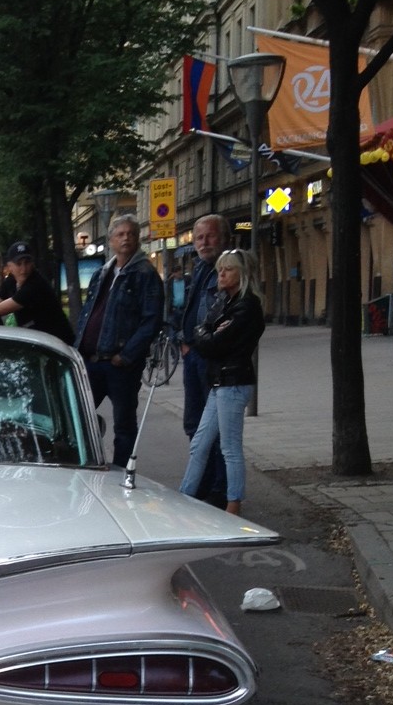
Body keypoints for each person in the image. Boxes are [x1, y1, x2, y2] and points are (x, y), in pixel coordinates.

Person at [179, 248, 265, 516]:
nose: (221, 274)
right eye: (219, 269)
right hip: (221, 380)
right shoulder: (225, 302)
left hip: (234, 381)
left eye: (228, 269)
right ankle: (184, 497)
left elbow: (213, 342)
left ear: (243, 274)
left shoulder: (246, 306)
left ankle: (233, 504)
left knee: (229, 447)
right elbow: (202, 330)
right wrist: (207, 333)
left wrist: (207, 334)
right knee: (200, 443)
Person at [73, 214, 163, 467]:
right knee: (78, 415)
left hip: (119, 364)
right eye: (120, 234)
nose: (126, 238)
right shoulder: (103, 272)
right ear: (111, 240)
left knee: (124, 424)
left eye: (131, 234)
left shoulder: (144, 273)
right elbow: (89, 312)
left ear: (137, 239)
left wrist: (126, 355)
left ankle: (122, 473)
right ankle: (85, 463)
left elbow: (152, 321)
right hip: (91, 361)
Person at [177, 214, 228, 502]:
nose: (204, 242)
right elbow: (187, 309)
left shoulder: (227, 269)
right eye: (199, 237)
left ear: (223, 238)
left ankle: (218, 490)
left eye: (210, 236)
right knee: (194, 423)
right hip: (193, 355)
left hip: (212, 358)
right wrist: (183, 341)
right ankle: (204, 483)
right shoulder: (199, 269)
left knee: (216, 427)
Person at [0, 241, 74, 343]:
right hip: (39, 342)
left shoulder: (35, 285)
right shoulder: (11, 281)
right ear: (10, 266)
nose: (24, 269)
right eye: (19, 264)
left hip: (58, 345)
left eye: (27, 262)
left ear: (32, 263)